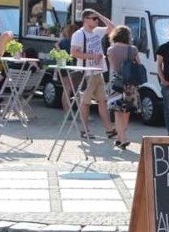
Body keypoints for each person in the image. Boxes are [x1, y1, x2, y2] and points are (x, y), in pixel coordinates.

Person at [71, 9, 116, 140]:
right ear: (85, 20)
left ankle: (109, 130)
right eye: (93, 18)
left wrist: (100, 15)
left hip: (98, 72)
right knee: (85, 103)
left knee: (103, 101)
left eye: (96, 19)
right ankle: (84, 130)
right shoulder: (79, 34)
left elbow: (113, 28)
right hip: (86, 73)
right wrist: (92, 56)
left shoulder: (97, 31)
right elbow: (74, 52)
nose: (96, 21)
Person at [106, 25, 141, 150]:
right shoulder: (133, 49)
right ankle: (122, 137)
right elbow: (139, 64)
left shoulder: (111, 50)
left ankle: (122, 138)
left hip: (117, 83)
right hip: (131, 84)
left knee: (117, 111)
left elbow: (113, 67)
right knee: (126, 111)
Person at [55, 23, 78, 110]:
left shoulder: (63, 42)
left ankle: (67, 110)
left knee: (66, 89)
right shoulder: (75, 42)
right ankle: (70, 110)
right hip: (73, 66)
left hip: (63, 66)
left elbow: (56, 50)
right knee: (73, 89)